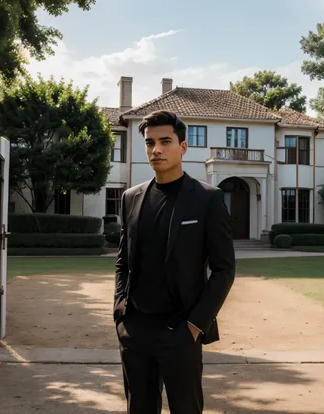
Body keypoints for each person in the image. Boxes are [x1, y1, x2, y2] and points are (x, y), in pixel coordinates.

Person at [113, 110, 236, 413]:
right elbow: (123, 261)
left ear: (182, 146)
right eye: (150, 142)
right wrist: (120, 312)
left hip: (181, 332)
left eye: (165, 141)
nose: (156, 150)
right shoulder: (131, 197)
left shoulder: (208, 199)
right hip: (136, 331)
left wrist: (195, 326)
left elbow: (224, 269)